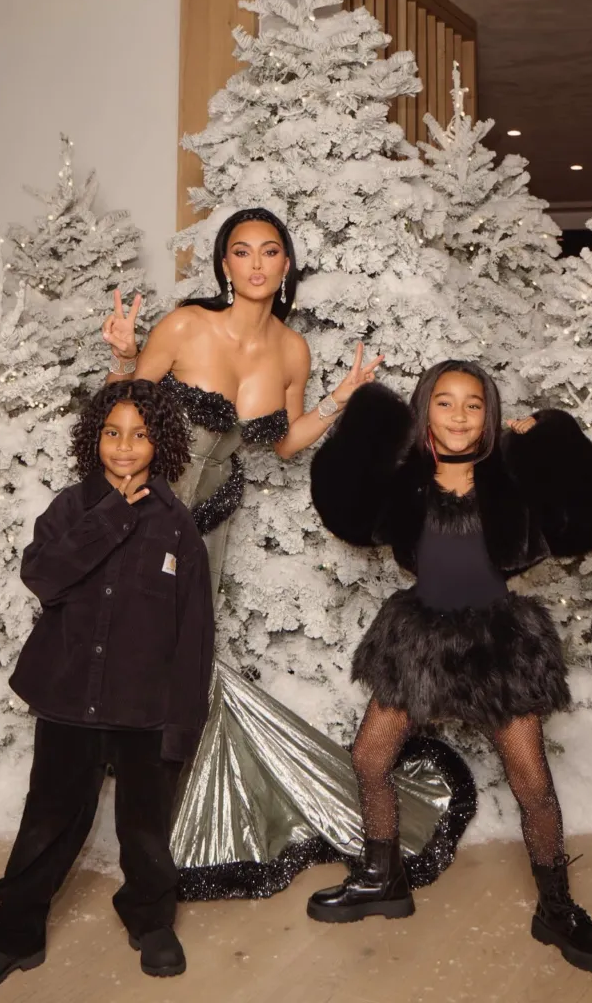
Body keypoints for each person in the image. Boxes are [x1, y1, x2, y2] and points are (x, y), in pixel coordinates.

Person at [100, 208, 474, 899]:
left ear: (284, 266)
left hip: (207, 524)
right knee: (124, 656)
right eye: (241, 252)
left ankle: (174, 828)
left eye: (270, 252)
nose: (255, 264)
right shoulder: (185, 325)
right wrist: (125, 356)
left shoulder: (291, 351)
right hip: (141, 512)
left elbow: (284, 442)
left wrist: (340, 398)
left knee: (185, 666)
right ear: (224, 266)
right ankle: (125, 816)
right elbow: (122, 417)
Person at [306, 361, 592, 975]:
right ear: (426, 412)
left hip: (496, 643)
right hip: (420, 636)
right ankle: (383, 878)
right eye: (444, 403)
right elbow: (344, 504)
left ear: (490, 413)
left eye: (472, 405)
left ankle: (557, 907)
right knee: (370, 758)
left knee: (531, 781)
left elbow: (588, 519)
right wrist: (370, 414)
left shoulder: (511, 478)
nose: (458, 416)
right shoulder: (405, 480)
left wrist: (552, 437)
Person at [0, 380, 213, 992]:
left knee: (145, 830)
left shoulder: (177, 526)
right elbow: (43, 576)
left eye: (140, 434)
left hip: (145, 710)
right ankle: (12, 935)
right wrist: (113, 516)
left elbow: (193, 634)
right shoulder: (71, 507)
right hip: (69, 702)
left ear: (161, 443)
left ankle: (150, 920)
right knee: (46, 824)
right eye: (112, 432)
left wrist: (180, 726)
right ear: (95, 437)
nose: (124, 447)